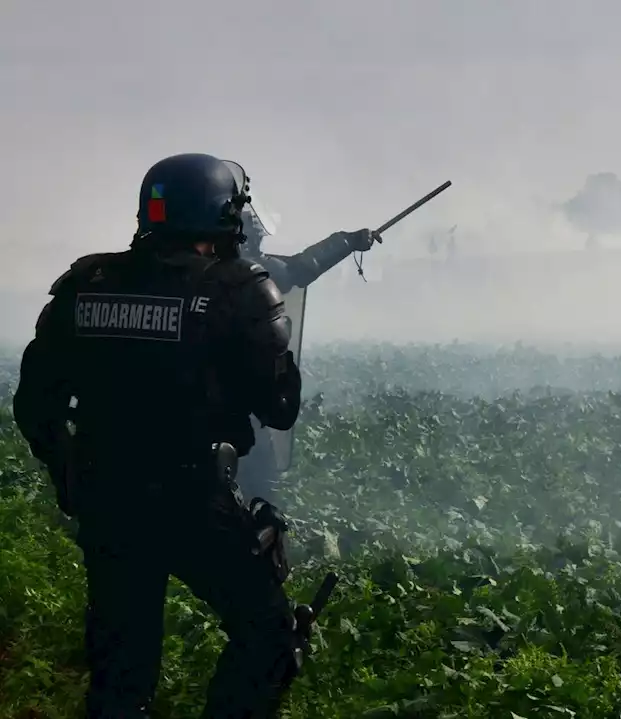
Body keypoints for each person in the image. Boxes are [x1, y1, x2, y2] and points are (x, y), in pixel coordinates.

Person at [13, 152, 307, 717]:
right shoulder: (239, 288)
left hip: (108, 504)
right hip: (196, 502)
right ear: (227, 215)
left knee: (120, 677)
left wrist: (70, 475)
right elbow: (280, 408)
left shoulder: (85, 284)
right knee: (269, 640)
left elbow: (34, 404)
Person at [235, 207, 377, 506]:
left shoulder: (166, 272)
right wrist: (348, 241)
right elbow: (299, 269)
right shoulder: (244, 275)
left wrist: (347, 241)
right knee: (259, 494)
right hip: (235, 414)